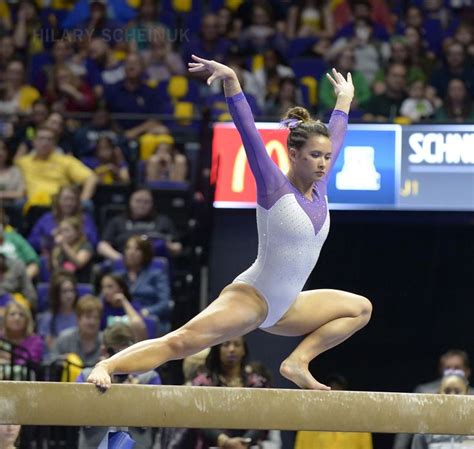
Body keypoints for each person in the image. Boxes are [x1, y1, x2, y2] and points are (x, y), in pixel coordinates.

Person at [87, 55, 372, 391]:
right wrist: (233, 82)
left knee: (360, 309)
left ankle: (297, 362)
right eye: (315, 156)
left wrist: (344, 99)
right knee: (180, 343)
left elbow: (336, 135)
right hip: (253, 296)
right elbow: (248, 131)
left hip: (289, 306)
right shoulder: (273, 185)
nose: (324, 163)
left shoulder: (321, 188)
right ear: (293, 154)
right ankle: (108, 363)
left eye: (326, 157)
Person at [76, 323, 161, 449]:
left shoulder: (149, 378)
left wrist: (134, 395)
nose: (121, 359)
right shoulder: (86, 377)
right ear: (104, 350)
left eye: (126, 353)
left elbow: (154, 420)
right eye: (115, 353)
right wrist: (101, 392)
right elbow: (78, 416)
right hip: (95, 444)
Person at [393, 349, 472, 449]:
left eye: (457, 368)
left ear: (467, 371)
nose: (452, 371)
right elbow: (406, 427)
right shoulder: (425, 392)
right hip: (435, 443)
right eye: (448, 368)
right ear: (441, 370)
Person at [411, 369, 474, 449]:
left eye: (457, 391)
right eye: (447, 391)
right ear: (439, 393)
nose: (452, 396)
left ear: (467, 394)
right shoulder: (427, 428)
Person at [28, 185, 98, 254]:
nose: (68, 203)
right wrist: (51, 239)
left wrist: (73, 237)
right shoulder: (47, 218)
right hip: (50, 256)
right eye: (65, 199)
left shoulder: (84, 218)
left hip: (77, 256)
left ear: (77, 202)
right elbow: (32, 240)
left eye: (72, 199)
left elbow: (93, 240)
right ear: (58, 200)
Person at [49, 294, 103, 367]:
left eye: (96, 318)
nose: (92, 322)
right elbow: (50, 362)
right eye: (88, 317)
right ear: (78, 319)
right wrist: (61, 360)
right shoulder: (64, 339)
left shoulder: (105, 341)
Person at [99, 273, 147, 342]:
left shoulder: (133, 306)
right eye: (103, 287)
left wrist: (123, 301)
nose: (105, 291)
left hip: (130, 346)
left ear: (121, 289)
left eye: (110, 287)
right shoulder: (102, 308)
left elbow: (138, 325)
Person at [0, 300, 44, 366]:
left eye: (21, 315)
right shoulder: (1, 338)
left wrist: (10, 360)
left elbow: (32, 363)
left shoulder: (35, 341)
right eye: (12, 314)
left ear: (27, 320)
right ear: (5, 319)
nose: (17, 318)